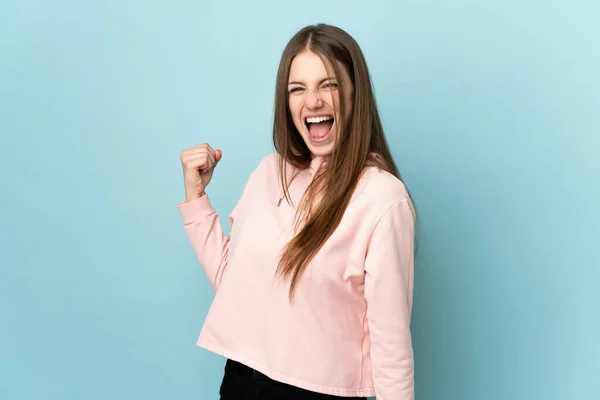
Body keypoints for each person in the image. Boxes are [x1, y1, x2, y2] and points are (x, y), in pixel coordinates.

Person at [177, 23, 416, 400]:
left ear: (356, 93)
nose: (313, 101)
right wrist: (197, 200)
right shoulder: (269, 173)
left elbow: (392, 346)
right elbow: (235, 287)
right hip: (240, 382)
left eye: (329, 84)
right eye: (298, 88)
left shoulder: (383, 198)